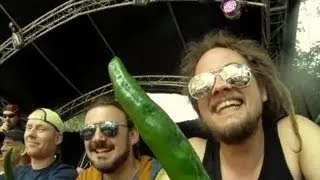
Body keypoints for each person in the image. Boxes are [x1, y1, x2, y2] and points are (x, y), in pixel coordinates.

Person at [156, 30, 320, 180]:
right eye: (202, 84)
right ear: (200, 109)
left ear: (262, 90)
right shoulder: (192, 155)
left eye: (236, 73)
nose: (219, 87)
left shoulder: (294, 136)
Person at [77, 96, 162, 180]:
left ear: (132, 135)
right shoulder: (85, 178)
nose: (97, 138)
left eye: (108, 128)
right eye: (88, 130)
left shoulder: (163, 176)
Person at [0, 108, 78, 180]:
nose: (31, 134)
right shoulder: (17, 172)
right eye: (29, 128)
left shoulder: (65, 174)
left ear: (58, 138)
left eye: (41, 129)